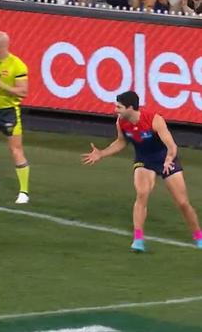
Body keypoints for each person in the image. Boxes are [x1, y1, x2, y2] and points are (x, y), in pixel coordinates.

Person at [81, 91, 202, 252]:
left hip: (166, 159)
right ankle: (138, 239)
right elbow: (121, 142)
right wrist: (101, 153)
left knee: (182, 203)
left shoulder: (154, 119)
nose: (115, 110)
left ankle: (198, 236)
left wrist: (168, 160)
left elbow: (172, 146)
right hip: (144, 160)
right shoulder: (121, 122)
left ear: (131, 107)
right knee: (142, 193)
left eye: (119, 107)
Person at [0, 31, 30, 204]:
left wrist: (2, 85)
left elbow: (23, 92)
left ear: (0, 45)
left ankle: (24, 192)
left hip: (10, 112)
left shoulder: (17, 65)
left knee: (16, 150)